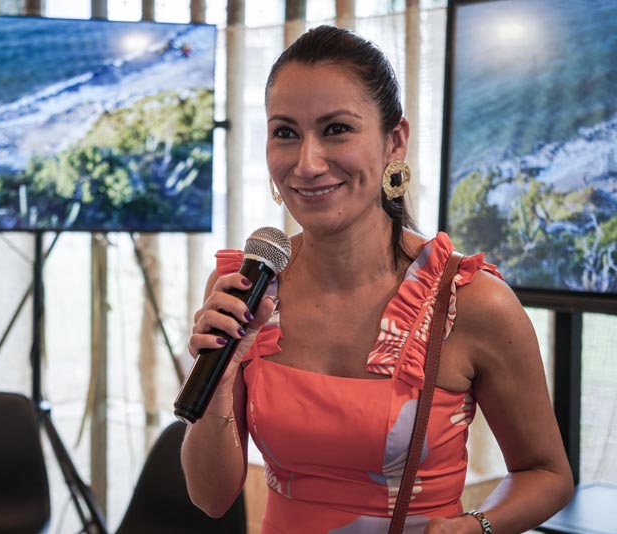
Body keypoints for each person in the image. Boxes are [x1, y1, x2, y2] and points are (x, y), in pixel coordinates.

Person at [180, 25, 573, 534]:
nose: (307, 163)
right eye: (285, 132)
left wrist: (477, 525)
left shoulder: (472, 301)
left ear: (395, 141)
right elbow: (210, 498)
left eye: (337, 129)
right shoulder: (248, 285)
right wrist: (221, 376)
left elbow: (546, 473)